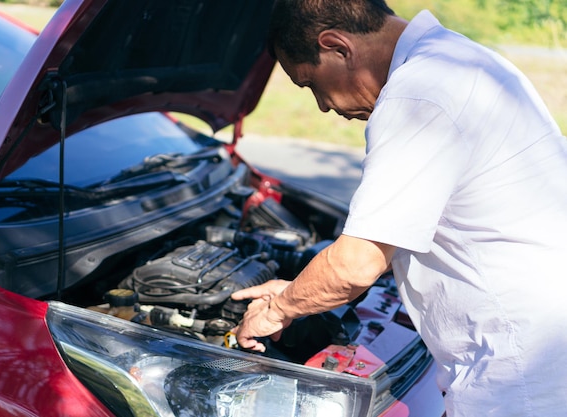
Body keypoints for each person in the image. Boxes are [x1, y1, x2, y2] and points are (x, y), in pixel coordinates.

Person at [231, 0, 567, 415]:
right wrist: (303, 291)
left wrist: (279, 311)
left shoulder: (418, 96)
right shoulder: (463, 60)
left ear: (337, 46)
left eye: (311, 83)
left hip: (520, 369)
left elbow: (357, 265)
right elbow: (410, 226)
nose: (322, 105)